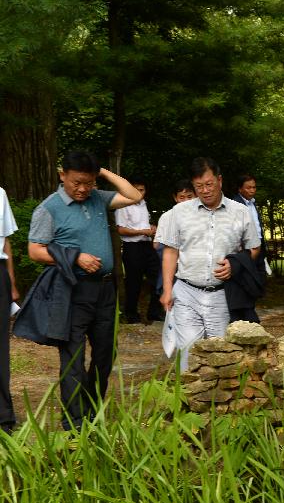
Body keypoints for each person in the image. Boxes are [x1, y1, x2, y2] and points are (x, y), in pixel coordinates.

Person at [22, 150, 142, 430]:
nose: (82, 189)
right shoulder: (49, 207)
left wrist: (100, 172)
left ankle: (92, 412)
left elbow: (134, 196)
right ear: (62, 175)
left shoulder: (98, 198)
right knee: (73, 358)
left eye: (88, 182)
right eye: (77, 182)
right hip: (71, 290)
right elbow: (35, 251)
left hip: (105, 290)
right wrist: (75, 257)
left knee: (104, 354)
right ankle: (74, 423)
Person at [155, 158, 260, 369]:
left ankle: (215, 399)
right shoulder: (179, 212)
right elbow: (170, 251)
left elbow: (254, 248)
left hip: (222, 293)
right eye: (199, 186)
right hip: (186, 291)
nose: (205, 190)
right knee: (188, 349)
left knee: (219, 349)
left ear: (219, 180)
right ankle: (187, 396)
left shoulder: (240, 212)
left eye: (209, 184)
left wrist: (235, 265)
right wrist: (167, 289)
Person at [115, 176, 163, 323]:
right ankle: (131, 315)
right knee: (133, 282)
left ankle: (154, 312)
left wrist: (151, 229)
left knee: (158, 276)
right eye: (135, 189)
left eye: (141, 190)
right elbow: (121, 230)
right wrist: (142, 231)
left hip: (147, 245)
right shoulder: (123, 205)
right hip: (132, 247)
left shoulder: (143, 204)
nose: (138, 193)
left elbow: (144, 225)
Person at [231, 174, 267, 323]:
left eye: (254, 187)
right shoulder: (235, 204)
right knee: (246, 278)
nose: (252, 190)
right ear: (240, 189)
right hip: (245, 249)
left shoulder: (253, 203)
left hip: (258, 245)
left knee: (259, 277)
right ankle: (246, 312)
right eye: (248, 187)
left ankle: (250, 307)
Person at [0, 186, 19, 434]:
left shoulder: (0, 193)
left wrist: (12, 283)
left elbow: (5, 242)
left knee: (0, 348)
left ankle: (3, 414)